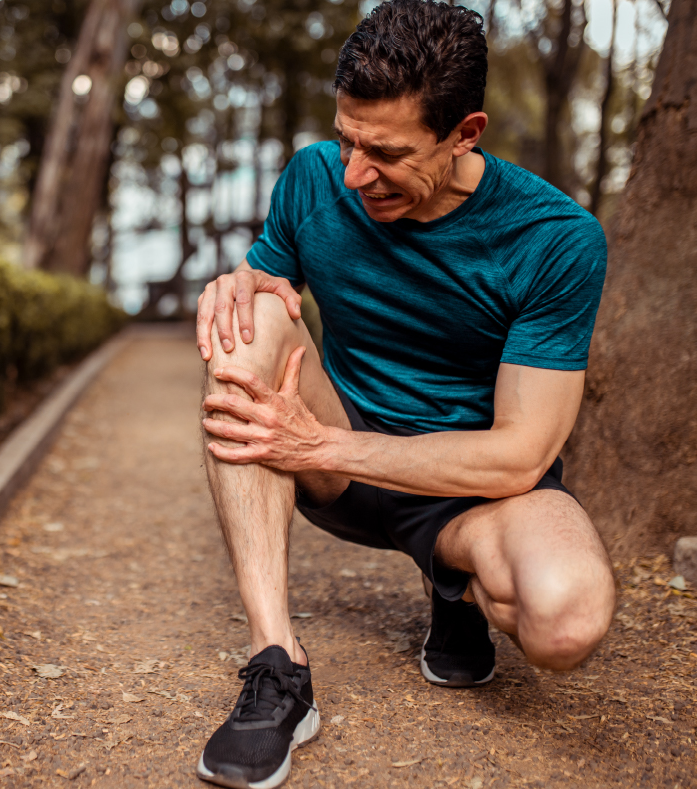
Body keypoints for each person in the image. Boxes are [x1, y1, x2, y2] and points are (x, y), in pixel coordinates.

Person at [192, 1, 617, 787]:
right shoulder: (315, 179)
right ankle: (275, 663)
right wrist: (237, 285)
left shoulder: (553, 239)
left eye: (384, 152)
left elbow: (521, 452)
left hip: (466, 492)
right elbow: (264, 291)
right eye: (346, 138)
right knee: (243, 322)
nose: (353, 174)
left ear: (466, 133)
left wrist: (316, 443)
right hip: (337, 460)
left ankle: (450, 588)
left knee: (567, 617)